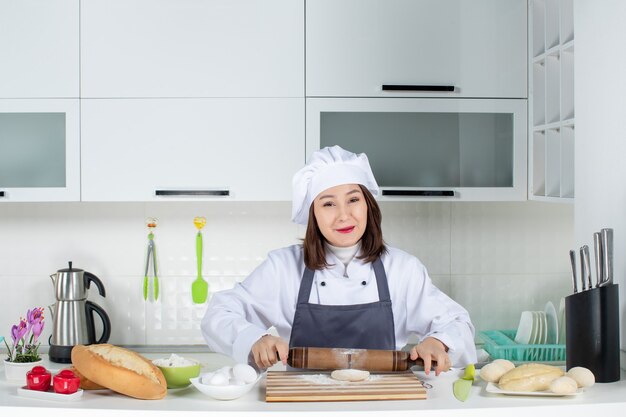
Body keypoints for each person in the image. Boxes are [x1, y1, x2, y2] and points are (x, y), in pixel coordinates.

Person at [201, 146, 477, 375]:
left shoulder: (402, 270)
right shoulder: (282, 268)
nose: (344, 215)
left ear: (368, 205)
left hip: (383, 405)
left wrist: (438, 341)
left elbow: (458, 322)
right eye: (328, 203)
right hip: (304, 406)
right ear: (313, 215)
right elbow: (219, 313)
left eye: (353, 199)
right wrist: (255, 338)